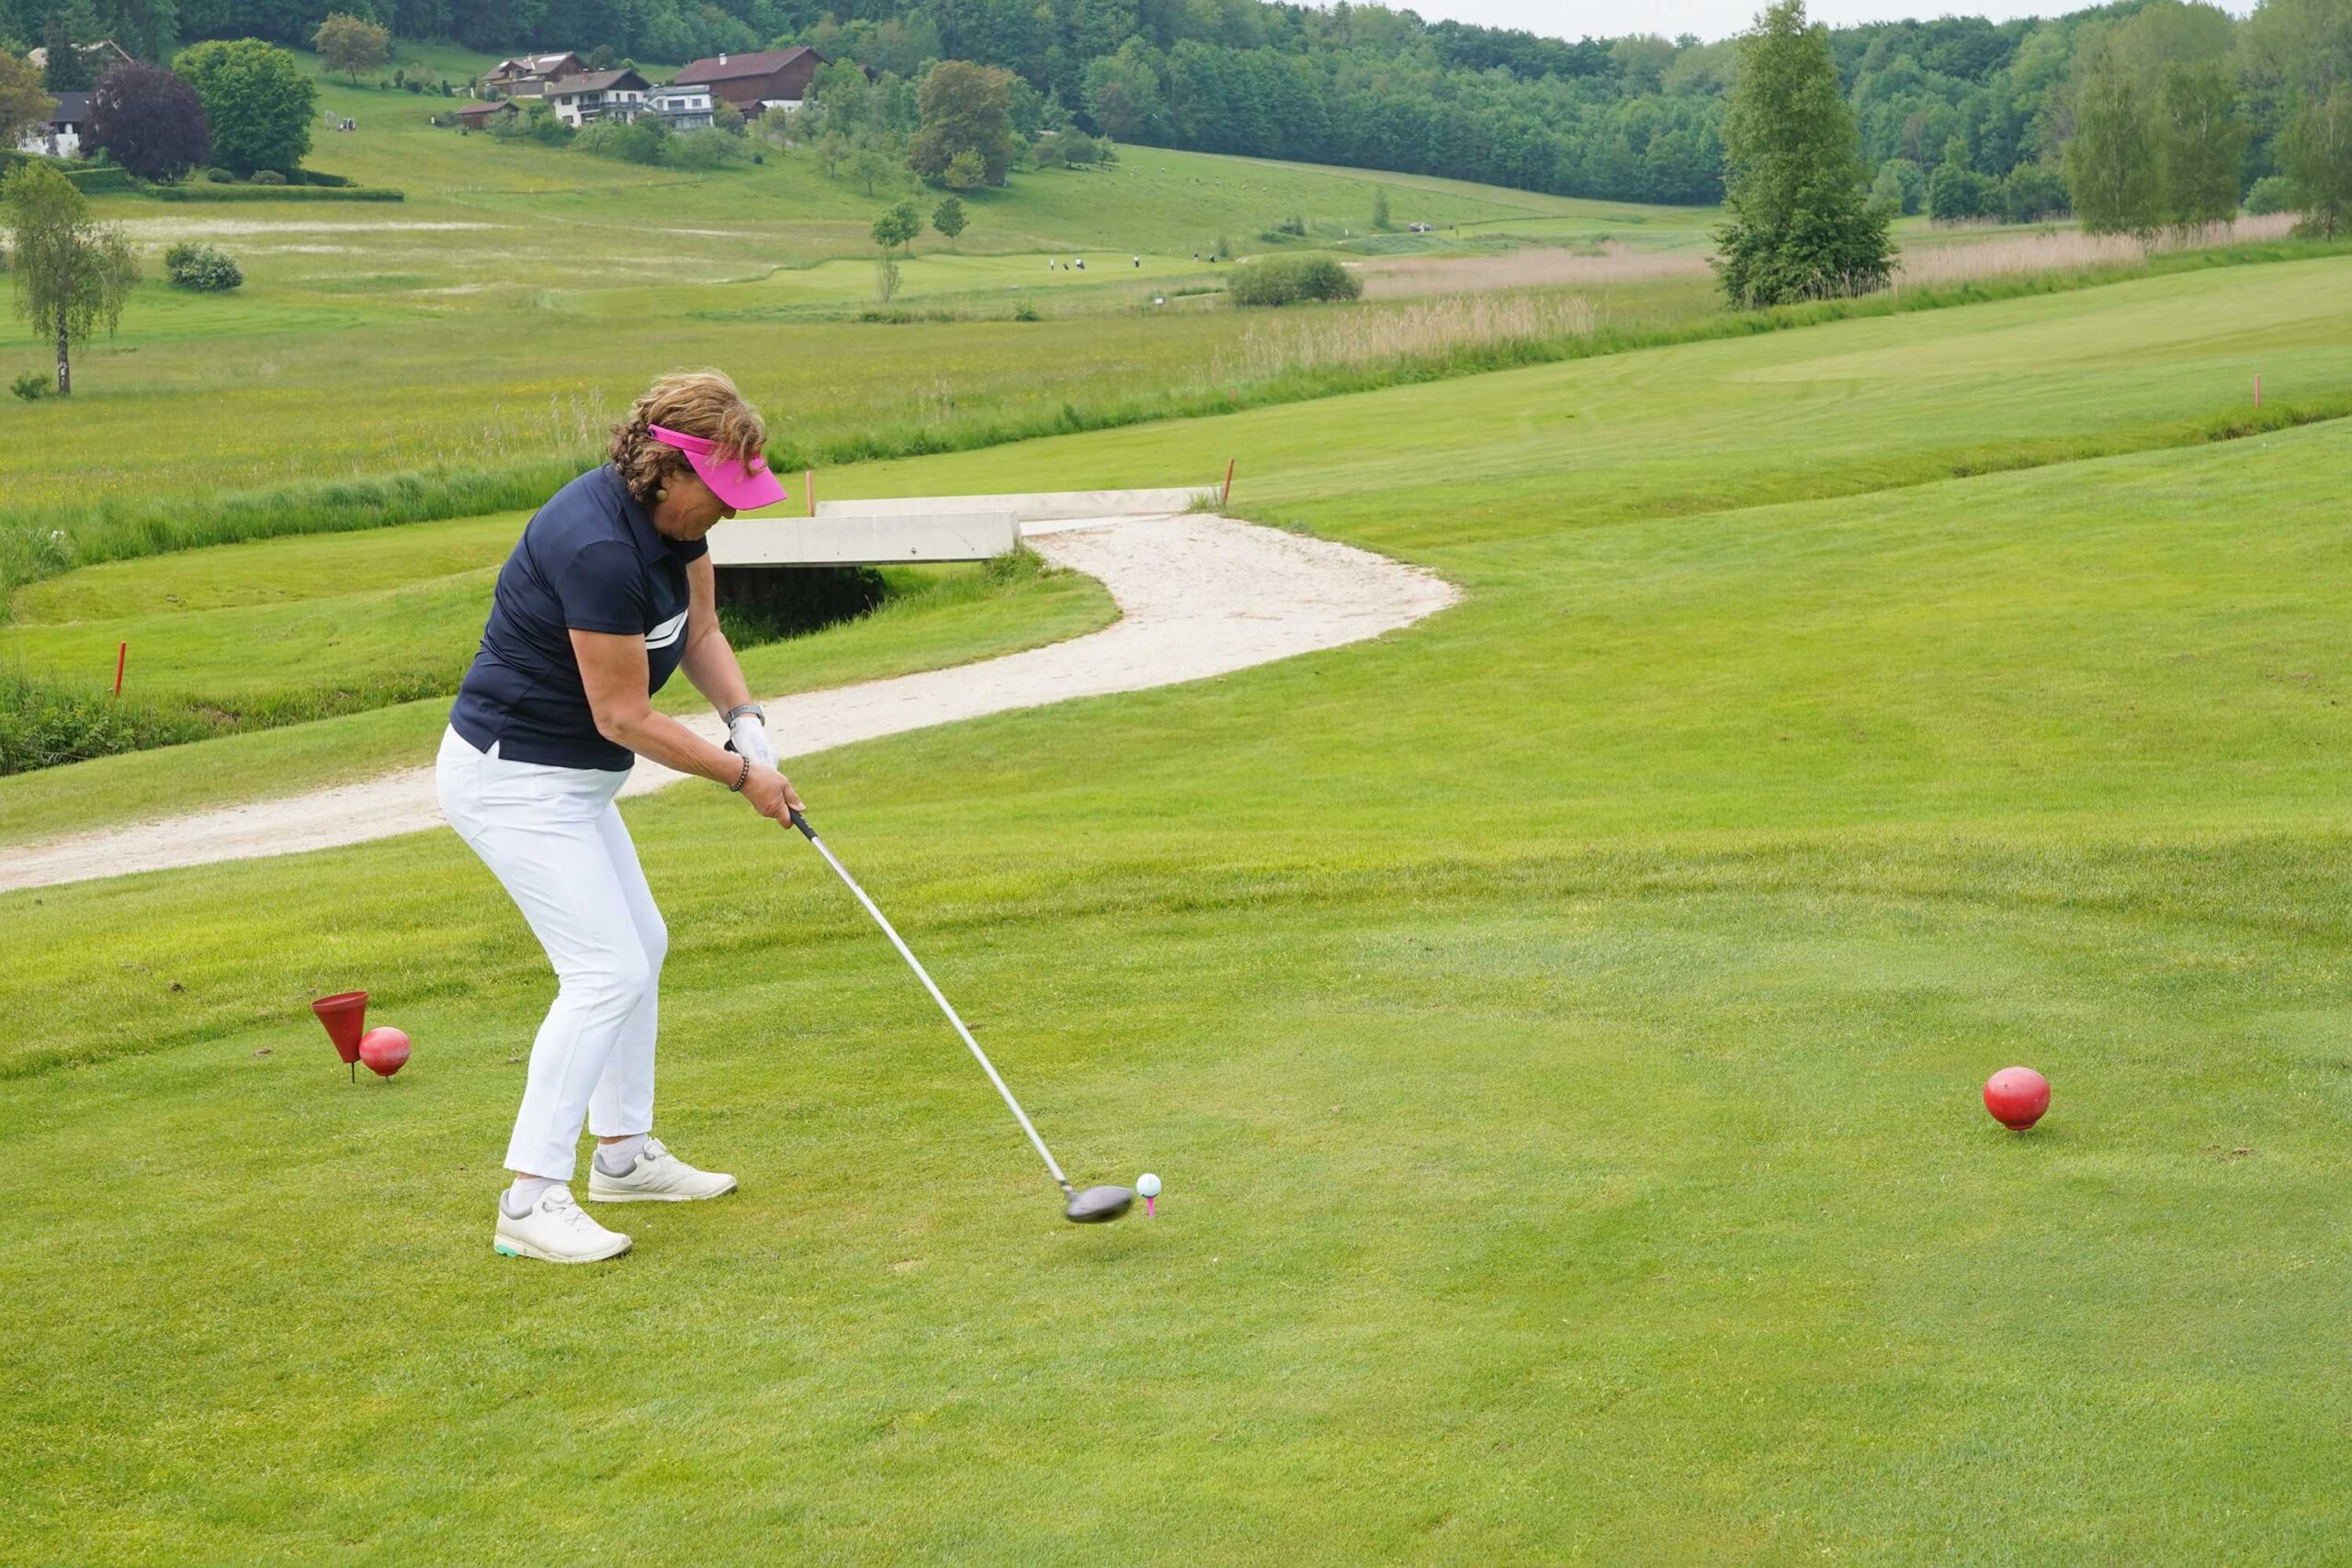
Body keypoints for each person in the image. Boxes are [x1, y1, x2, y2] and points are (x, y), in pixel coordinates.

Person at [437, 368, 803, 1264]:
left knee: (642, 945)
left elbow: (702, 633)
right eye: (719, 490)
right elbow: (623, 717)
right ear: (665, 471)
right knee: (603, 970)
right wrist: (741, 777)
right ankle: (529, 1199)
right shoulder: (598, 547)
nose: (730, 508)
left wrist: (747, 722)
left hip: (572, 782)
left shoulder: (681, 528)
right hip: (512, 779)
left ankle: (625, 1156)